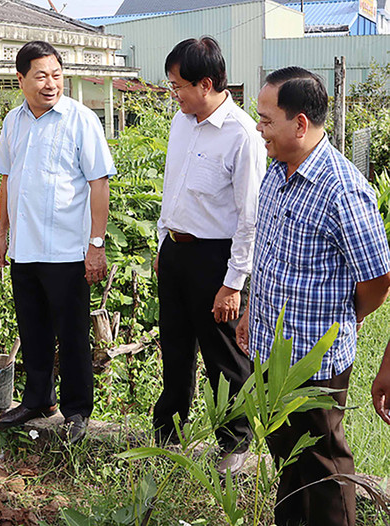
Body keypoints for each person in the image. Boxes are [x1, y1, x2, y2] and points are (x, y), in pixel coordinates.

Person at [237, 66, 390, 526]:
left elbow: (378, 279)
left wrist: (346, 316)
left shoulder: (343, 189)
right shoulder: (277, 172)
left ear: (300, 124)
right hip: (269, 350)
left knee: (325, 466)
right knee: (287, 457)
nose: (259, 129)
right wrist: (250, 309)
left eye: (266, 120)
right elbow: (268, 252)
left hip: (314, 363)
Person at [0, 41, 115, 444]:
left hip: (66, 249)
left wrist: (96, 243)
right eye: (41, 75)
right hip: (25, 247)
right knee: (33, 328)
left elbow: (99, 183)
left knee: (72, 332)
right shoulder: (13, 122)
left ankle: (77, 410)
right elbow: (8, 179)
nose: (50, 84)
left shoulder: (80, 120)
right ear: (21, 78)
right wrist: (1, 234)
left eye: (57, 75)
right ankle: (38, 399)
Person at [152, 37, 265, 475]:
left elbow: (248, 216)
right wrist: (165, 241)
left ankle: (234, 443)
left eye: (178, 85)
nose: (174, 92)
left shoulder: (241, 135)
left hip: (216, 259)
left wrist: (234, 281)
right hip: (176, 252)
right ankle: (168, 432)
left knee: (223, 356)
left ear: (205, 83)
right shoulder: (182, 122)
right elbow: (172, 187)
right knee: (175, 345)